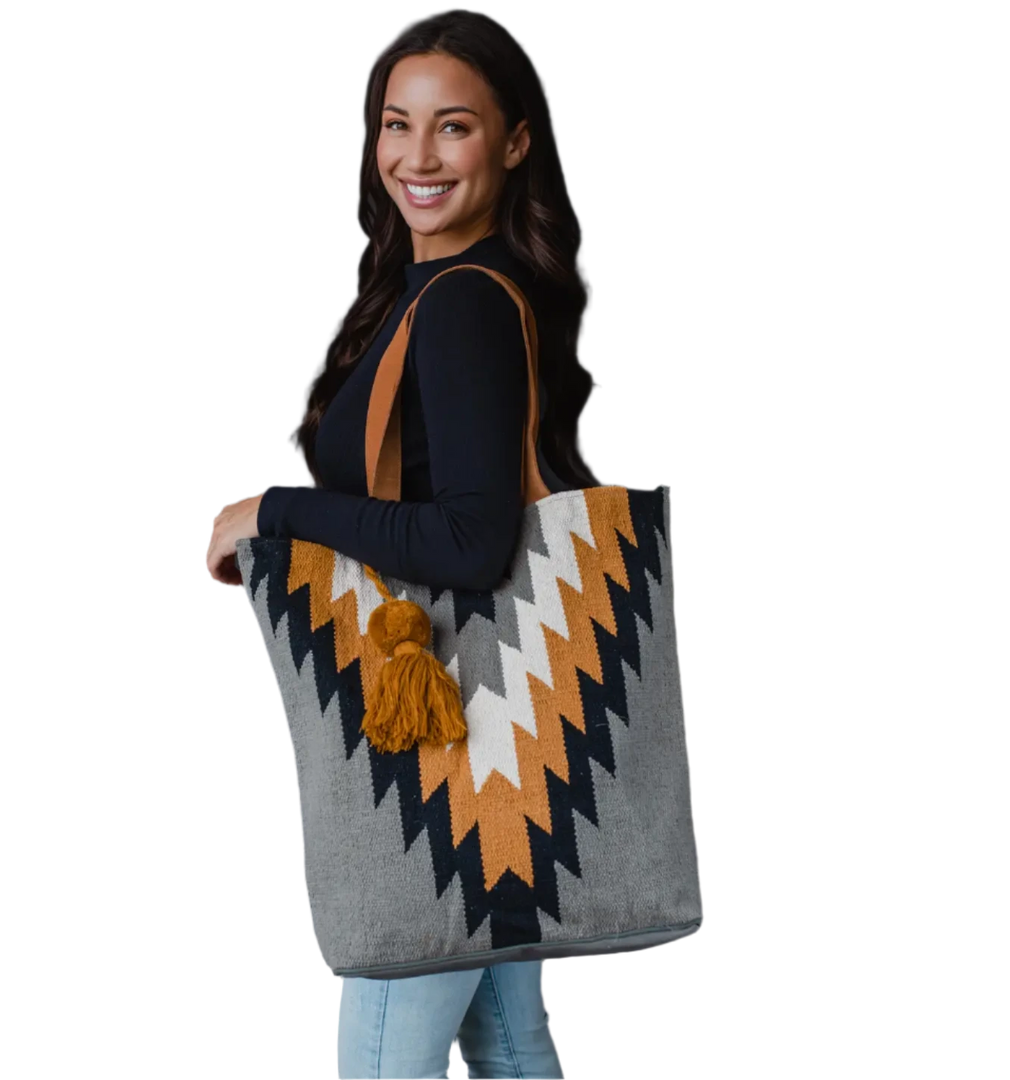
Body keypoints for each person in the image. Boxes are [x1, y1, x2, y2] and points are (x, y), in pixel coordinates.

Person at [205, 8, 604, 1077]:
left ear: (515, 142)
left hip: (446, 753)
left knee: (385, 1062)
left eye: (453, 126)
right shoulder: (431, 290)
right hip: (492, 744)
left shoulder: (464, 303)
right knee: (511, 1044)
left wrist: (276, 511)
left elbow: (472, 541)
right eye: (397, 123)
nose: (417, 157)